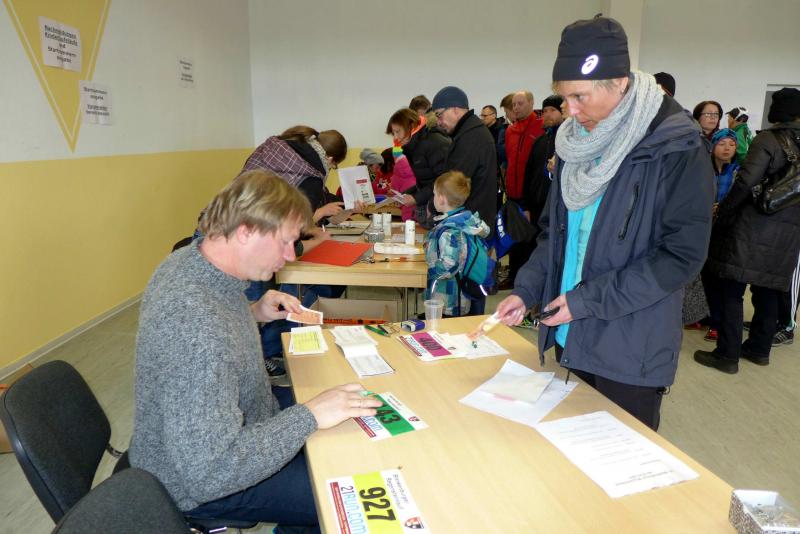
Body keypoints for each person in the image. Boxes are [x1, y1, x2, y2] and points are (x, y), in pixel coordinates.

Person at [130, 171, 382, 531]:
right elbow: (210, 473)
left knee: (346, 417)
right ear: (246, 231)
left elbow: (213, 341)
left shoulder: (190, 261)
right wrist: (309, 416)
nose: (289, 256)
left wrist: (254, 313)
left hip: (235, 424)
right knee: (347, 492)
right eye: (285, 242)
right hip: (199, 484)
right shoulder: (195, 324)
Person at [495, 16, 713, 431]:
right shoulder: (575, 144)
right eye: (565, 98)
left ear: (619, 82)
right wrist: (527, 289)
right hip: (571, 336)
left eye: (579, 96)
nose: (570, 111)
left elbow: (680, 256)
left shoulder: (676, 146)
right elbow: (556, 235)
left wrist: (586, 301)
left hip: (629, 350)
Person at [696, 88, 800, 373]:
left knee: (730, 289)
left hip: (753, 228)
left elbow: (746, 182)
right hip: (789, 232)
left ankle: (727, 355)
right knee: (768, 290)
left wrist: (724, 211)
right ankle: (758, 349)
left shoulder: (768, 139)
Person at [431, 86, 499, 314]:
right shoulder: (469, 133)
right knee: (471, 291)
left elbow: (453, 185)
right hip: (473, 223)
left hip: (468, 229)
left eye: (440, 114)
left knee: (468, 295)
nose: (439, 121)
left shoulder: (472, 138)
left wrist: (434, 207)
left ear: (455, 109)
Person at [424, 171, 490, 316]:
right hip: (460, 291)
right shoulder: (467, 220)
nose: (433, 198)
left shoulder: (450, 231)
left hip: (449, 299)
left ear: (441, 199)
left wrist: (428, 270)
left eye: (434, 194)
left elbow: (448, 266)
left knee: (447, 328)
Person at [696, 128, 741, 342]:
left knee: (719, 278)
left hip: (726, 231)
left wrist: (722, 208)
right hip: (704, 227)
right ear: (713, 146)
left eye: (731, 144)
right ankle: (703, 315)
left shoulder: (738, 171)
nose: (727, 148)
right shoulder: (703, 168)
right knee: (704, 274)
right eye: (722, 143)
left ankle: (717, 322)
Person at [502, 91, 546, 289]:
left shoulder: (540, 128)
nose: (516, 108)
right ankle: (513, 277)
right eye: (514, 104)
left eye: (520, 103)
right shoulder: (510, 131)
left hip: (531, 195)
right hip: (512, 194)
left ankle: (528, 283)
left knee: (530, 240)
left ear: (531, 102)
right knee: (514, 238)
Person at [386, 108, 451, 227]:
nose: (395, 138)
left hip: (443, 209)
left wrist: (416, 198)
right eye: (393, 133)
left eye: (398, 132)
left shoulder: (433, 142)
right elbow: (425, 181)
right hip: (432, 205)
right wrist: (406, 194)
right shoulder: (414, 147)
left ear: (411, 126)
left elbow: (444, 181)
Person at [522, 94, 564, 247]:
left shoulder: (568, 141)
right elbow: (528, 173)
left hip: (556, 206)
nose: (547, 114)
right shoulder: (540, 140)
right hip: (536, 206)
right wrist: (526, 205)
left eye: (552, 110)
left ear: (563, 112)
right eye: (545, 111)